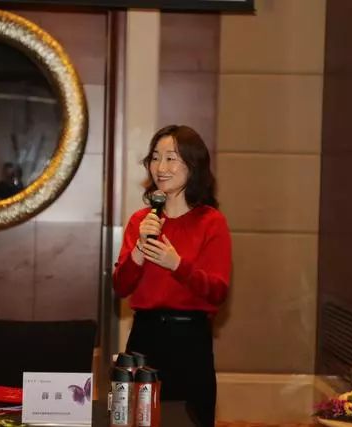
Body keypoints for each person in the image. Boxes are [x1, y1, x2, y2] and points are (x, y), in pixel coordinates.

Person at [113, 124, 232, 427]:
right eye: (155, 158)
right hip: (144, 338)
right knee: (137, 421)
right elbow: (121, 286)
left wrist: (177, 265)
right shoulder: (141, 221)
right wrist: (139, 250)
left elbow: (218, 291)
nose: (160, 167)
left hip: (190, 341)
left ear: (193, 165)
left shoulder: (211, 222)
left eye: (171, 158)